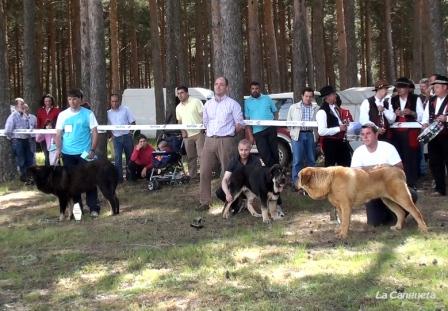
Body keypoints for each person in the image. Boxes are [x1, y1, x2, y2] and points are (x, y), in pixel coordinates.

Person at [198, 77, 245, 211]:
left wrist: (230, 133)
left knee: (228, 172)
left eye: (221, 85)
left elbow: (240, 123)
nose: (218, 87)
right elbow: (205, 122)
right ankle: (205, 202)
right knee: (204, 171)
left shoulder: (233, 104)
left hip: (226, 141)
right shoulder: (208, 104)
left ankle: (232, 201)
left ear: (227, 88)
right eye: (216, 84)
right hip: (209, 140)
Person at [54, 89, 101, 217]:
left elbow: (95, 132)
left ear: (80, 99)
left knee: (90, 180)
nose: (72, 102)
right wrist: (58, 149)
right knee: (72, 183)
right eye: (69, 99)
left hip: (84, 153)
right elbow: (58, 134)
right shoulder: (62, 115)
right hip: (67, 154)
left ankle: (93, 208)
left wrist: (92, 150)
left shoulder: (88, 114)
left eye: (75, 99)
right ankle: (77, 209)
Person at [351, 122, 404, 226]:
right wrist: (380, 167)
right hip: (370, 191)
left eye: (368, 133)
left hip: (390, 187)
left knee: (413, 195)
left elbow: (400, 168)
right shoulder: (358, 152)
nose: (365, 137)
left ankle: (396, 216)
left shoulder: (388, 147)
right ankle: (389, 215)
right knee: (374, 223)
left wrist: (368, 169)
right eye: (362, 134)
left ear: (376, 135)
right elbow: (354, 174)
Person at [389, 77, 424, 189]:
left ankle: (411, 182)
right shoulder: (393, 99)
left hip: (410, 131)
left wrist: (411, 112)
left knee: (411, 156)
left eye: (401, 87)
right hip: (396, 131)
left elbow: (421, 115)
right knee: (398, 156)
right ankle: (399, 181)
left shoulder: (415, 98)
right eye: (397, 87)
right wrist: (396, 113)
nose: (399, 89)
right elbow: (390, 117)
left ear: (408, 88)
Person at [216, 139, 263, 212]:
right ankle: (238, 204)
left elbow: (260, 179)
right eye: (241, 150)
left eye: (246, 150)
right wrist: (227, 193)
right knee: (220, 192)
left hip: (251, 188)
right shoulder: (233, 161)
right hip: (237, 186)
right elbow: (225, 179)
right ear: (238, 149)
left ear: (250, 149)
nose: (243, 152)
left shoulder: (256, 161)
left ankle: (251, 203)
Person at [287, 87, 318, 191]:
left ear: (312, 97)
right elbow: (288, 122)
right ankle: (296, 184)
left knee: (311, 159)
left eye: (310, 96)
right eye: (306, 96)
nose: (308, 98)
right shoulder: (293, 107)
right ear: (302, 96)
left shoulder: (316, 108)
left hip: (310, 134)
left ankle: (312, 183)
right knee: (297, 160)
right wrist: (293, 133)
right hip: (298, 135)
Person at [421, 75, 448, 196]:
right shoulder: (431, 100)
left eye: (437, 87)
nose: (435, 89)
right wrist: (425, 123)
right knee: (435, 162)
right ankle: (440, 188)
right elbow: (425, 115)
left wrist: (446, 118)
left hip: (446, 136)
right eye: (434, 87)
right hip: (433, 136)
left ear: (445, 87)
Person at [244, 81, 279, 167]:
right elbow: (247, 120)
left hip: (270, 129)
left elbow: (275, 112)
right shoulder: (247, 102)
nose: (254, 90)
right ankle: (272, 171)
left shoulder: (267, 98)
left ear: (259, 89)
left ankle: (278, 172)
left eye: (256, 88)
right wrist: (250, 136)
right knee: (264, 154)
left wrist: (274, 124)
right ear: (250, 90)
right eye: (252, 89)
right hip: (257, 132)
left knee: (274, 151)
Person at [316, 85, 352, 167]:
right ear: (328, 97)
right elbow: (321, 131)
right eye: (333, 94)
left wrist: (343, 124)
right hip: (330, 143)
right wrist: (339, 128)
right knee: (330, 169)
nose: (335, 95)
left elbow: (335, 122)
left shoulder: (334, 108)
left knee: (346, 166)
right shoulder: (322, 112)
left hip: (340, 142)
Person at [175, 86, 204, 180]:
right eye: (178, 93)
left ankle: (204, 175)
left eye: (182, 93)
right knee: (191, 157)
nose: (180, 95)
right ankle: (193, 176)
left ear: (187, 93)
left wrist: (203, 128)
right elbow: (179, 121)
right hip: (187, 136)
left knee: (202, 155)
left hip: (199, 133)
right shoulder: (178, 107)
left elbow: (204, 115)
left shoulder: (196, 101)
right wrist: (183, 131)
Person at [4, 98, 35, 183]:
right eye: (21, 104)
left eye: (23, 103)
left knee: (30, 159)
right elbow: (7, 130)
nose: (23, 105)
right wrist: (13, 138)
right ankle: (25, 179)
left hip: (27, 140)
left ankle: (31, 178)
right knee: (21, 161)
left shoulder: (26, 115)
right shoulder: (13, 116)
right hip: (18, 141)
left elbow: (31, 128)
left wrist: (26, 116)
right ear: (16, 106)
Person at [107, 93, 136, 183]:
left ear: (119, 101)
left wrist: (130, 133)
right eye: (113, 101)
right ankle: (119, 179)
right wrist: (111, 135)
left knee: (130, 157)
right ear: (110, 102)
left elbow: (133, 122)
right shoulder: (108, 113)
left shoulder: (126, 109)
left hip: (127, 136)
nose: (114, 103)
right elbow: (107, 127)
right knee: (117, 159)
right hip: (116, 138)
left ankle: (130, 177)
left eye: (116, 101)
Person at [36, 94, 60, 166]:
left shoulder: (56, 110)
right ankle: (47, 172)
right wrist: (39, 132)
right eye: (46, 101)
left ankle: (56, 172)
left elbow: (59, 122)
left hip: (54, 136)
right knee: (46, 155)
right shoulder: (40, 111)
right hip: (43, 136)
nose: (47, 103)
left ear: (52, 102)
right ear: (43, 102)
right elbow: (38, 123)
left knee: (55, 155)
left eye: (49, 101)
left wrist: (52, 125)